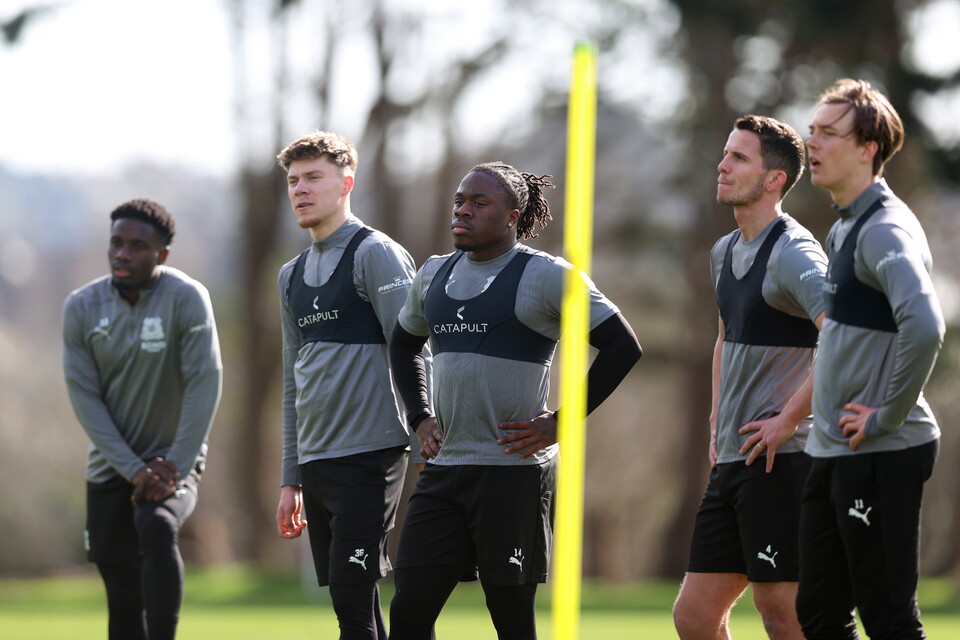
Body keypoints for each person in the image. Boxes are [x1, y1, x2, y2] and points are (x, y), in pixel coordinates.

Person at [385, 162, 642, 640]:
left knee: (510, 619)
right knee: (408, 611)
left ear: (512, 217)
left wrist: (560, 423)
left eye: (479, 203)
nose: (463, 211)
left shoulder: (547, 276)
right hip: (444, 471)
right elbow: (403, 344)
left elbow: (623, 346)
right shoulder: (434, 274)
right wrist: (419, 416)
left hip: (513, 474)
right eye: (460, 201)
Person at [796, 79, 944, 640]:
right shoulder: (843, 229)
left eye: (829, 133)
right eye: (812, 130)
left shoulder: (883, 230)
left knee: (888, 621)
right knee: (818, 614)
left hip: (883, 449)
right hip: (835, 449)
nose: (813, 142)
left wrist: (885, 416)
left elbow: (925, 325)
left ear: (868, 149)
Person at [672, 116, 827, 640]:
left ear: (774, 179)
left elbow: (845, 338)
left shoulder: (795, 253)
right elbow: (725, 337)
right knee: (695, 617)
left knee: (781, 610)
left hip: (785, 459)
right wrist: (718, 417)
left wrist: (789, 418)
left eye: (739, 158)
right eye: (725, 153)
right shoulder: (722, 252)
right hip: (735, 459)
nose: (722, 165)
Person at [273, 131, 420, 640]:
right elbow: (293, 382)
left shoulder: (375, 254)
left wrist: (427, 439)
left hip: (371, 455)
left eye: (314, 177)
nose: (300, 189)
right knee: (357, 605)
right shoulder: (290, 276)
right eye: (294, 180)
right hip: (317, 462)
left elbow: (415, 350)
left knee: (350, 601)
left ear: (346, 183)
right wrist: (290, 477)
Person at [62, 199, 223, 640]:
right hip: (111, 468)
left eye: (137, 246)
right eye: (116, 242)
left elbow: (205, 382)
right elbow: (85, 398)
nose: (122, 254)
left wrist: (174, 465)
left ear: (162, 254)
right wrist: (134, 470)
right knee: (122, 601)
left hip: (175, 461)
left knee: (157, 522)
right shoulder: (81, 307)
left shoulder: (187, 297)